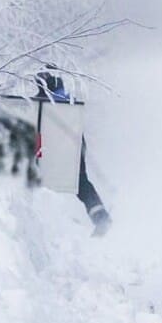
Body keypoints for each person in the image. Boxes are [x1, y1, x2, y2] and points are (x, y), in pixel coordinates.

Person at [33, 71, 112, 236]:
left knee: (45, 180)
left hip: (57, 144)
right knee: (80, 181)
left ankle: (47, 226)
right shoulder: (68, 101)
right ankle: (100, 216)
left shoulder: (45, 102)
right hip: (74, 142)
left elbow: (41, 122)